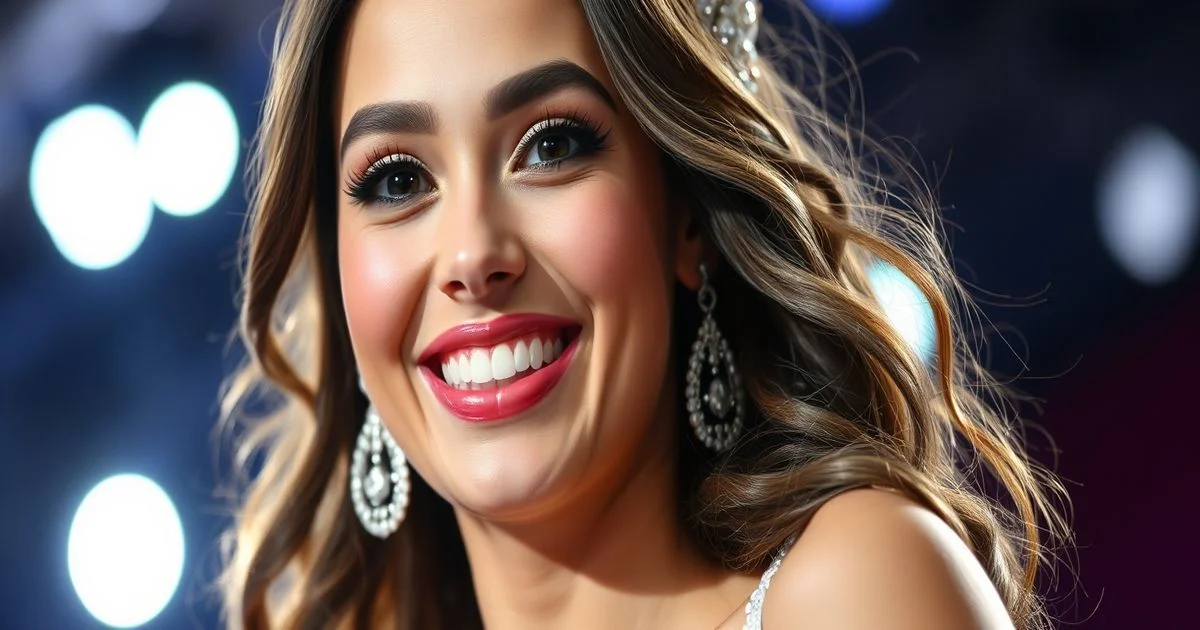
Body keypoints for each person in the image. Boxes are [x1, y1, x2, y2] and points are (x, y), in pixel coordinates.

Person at [217, 0, 1069, 628]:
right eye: (399, 180)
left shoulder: (855, 589)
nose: (474, 255)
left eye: (551, 145)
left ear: (685, 217)